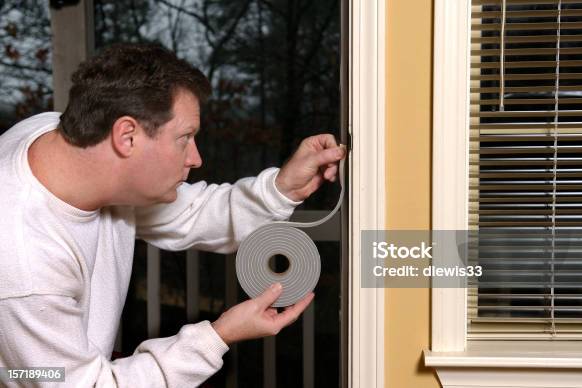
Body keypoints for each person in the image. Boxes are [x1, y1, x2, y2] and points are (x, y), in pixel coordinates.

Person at [0, 43, 345, 387]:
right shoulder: (25, 261)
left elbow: (191, 214)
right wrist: (218, 336)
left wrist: (283, 188)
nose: (196, 158)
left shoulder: (57, 136)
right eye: (185, 138)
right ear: (127, 136)